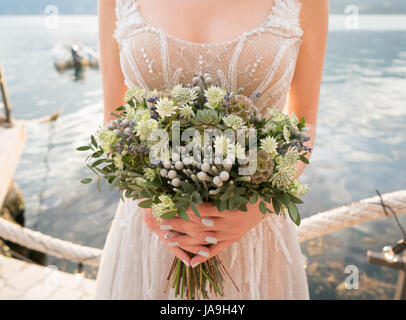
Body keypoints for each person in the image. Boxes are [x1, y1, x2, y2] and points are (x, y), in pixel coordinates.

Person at [96, 0, 328, 299]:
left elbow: (304, 124)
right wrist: (149, 201)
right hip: (153, 230)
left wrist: (260, 207)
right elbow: (115, 119)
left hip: (253, 231)